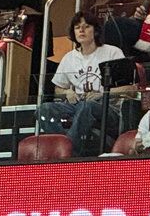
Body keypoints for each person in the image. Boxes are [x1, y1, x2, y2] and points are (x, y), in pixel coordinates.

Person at [37, 11, 127, 156]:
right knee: (44, 109)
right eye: (77, 27)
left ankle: (68, 153)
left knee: (87, 106)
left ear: (96, 31)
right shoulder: (69, 58)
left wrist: (102, 93)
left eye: (86, 26)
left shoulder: (112, 52)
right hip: (78, 105)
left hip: (107, 107)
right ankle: (68, 146)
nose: (81, 30)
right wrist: (67, 92)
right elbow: (58, 88)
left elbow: (130, 88)